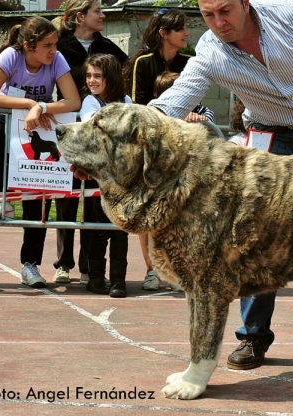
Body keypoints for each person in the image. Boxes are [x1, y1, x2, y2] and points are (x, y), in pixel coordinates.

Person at [146, 0, 293, 370]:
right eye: (207, 15)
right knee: (255, 238)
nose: (218, 22)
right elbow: (172, 101)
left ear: (246, 4)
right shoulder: (210, 52)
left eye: (225, 11)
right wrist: (131, 124)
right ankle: (252, 337)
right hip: (275, 138)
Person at [0, 16, 81, 287]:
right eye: (47, 45)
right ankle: (2, 199)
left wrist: (43, 108)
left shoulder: (56, 60)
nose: (53, 50)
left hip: (37, 126)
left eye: (55, 44)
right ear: (28, 46)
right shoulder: (11, 56)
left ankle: (30, 265)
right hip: (8, 123)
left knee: (36, 195)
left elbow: (73, 101)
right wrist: (29, 102)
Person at [51, 0, 128, 285]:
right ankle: (63, 264)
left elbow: (126, 68)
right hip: (66, 126)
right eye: (98, 11)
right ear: (80, 16)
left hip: (97, 131)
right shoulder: (58, 45)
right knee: (66, 199)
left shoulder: (107, 46)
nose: (103, 15)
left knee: (92, 202)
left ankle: (89, 267)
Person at [123, 8, 191, 292]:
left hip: (180, 147)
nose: (187, 33)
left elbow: (194, 100)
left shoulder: (190, 62)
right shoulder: (143, 62)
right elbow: (138, 106)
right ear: (164, 34)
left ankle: (175, 270)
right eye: (180, 29)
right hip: (150, 147)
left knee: (179, 212)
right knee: (149, 211)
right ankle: (152, 270)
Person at [79, 53, 131, 298]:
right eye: (89, 75)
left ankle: (119, 280)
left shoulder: (126, 99)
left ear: (110, 77)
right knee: (97, 229)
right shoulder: (89, 102)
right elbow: (95, 126)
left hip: (122, 179)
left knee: (121, 230)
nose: (91, 80)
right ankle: (96, 277)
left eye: (97, 76)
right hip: (98, 177)